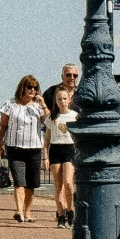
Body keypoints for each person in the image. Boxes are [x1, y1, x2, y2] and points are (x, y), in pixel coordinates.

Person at [0, 75, 50, 224]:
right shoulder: (10, 104)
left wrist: (43, 104)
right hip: (15, 147)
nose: (32, 90)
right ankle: (19, 211)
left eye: (35, 87)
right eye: (29, 87)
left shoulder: (37, 106)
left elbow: (49, 122)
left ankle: (28, 212)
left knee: (31, 184)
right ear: (22, 87)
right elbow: (3, 126)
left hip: (34, 148)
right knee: (19, 181)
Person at [45, 63, 79, 225]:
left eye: (75, 75)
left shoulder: (75, 112)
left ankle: (70, 210)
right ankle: (60, 214)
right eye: (68, 75)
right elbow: (47, 137)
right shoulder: (52, 113)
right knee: (58, 184)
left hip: (70, 148)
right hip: (56, 148)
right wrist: (45, 155)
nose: (72, 78)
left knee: (68, 182)